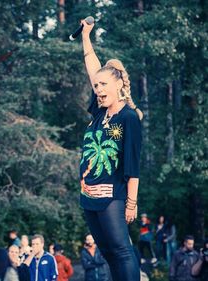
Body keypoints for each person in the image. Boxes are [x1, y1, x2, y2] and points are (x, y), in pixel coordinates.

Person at [79, 18, 142, 281]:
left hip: (113, 195)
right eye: (96, 86)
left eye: (103, 85)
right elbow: (93, 67)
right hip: (88, 194)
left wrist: (131, 203)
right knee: (106, 251)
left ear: (118, 85)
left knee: (121, 250)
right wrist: (85, 35)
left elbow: (132, 165)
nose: (98, 89)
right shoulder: (99, 111)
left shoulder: (128, 117)